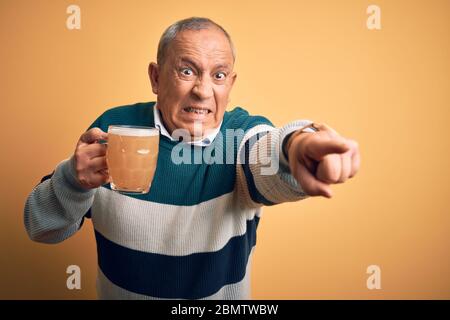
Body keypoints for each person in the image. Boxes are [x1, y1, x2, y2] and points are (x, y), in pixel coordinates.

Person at [24, 17, 360, 300]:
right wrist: (72, 180)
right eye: (187, 71)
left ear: (231, 83)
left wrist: (296, 147)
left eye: (218, 75)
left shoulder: (241, 135)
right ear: (156, 77)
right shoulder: (114, 129)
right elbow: (42, 228)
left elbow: (269, 152)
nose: (203, 90)